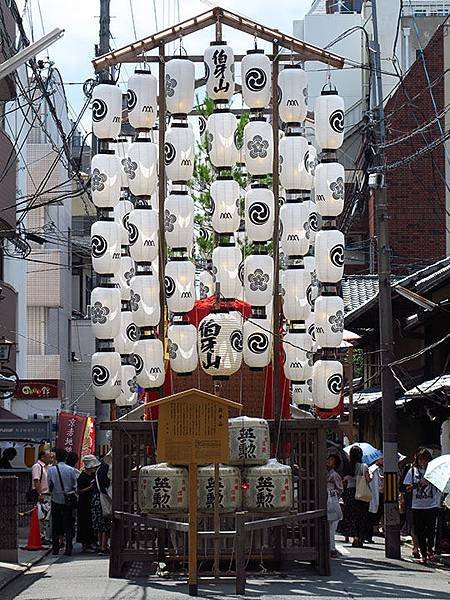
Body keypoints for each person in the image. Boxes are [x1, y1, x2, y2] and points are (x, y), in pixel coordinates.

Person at [403, 448, 441, 564]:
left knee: (430, 530)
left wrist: (431, 482)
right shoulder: (412, 471)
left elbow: (439, 484)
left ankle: (430, 550)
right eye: (420, 460)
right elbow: (406, 487)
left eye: (425, 460)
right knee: (420, 531)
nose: (422, 462)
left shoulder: (433, 472)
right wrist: (418, 484)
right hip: (417, 506)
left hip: (431, 505)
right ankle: (423, 554)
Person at [47, 448, 78, 556]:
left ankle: (55, 549)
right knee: (68, 525)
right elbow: (75, 486)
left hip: (55, 500)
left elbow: (49, 485)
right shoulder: (71, 470)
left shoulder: (51, 470)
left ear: (56, 457)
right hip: (68, 500)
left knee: (56, 524)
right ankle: (68, 548)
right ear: (66, 458)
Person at [342, 445, 371, 548]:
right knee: (361, 515)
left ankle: (354, 537)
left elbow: (344, 479)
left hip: (350, 492)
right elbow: (368, 479)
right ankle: (360, 537)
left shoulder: (348, 466)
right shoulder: (363, 466)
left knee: (352, 515)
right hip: (361, 492)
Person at [77, 454, 100, 553]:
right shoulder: (82, 477)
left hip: (92, 502)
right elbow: (79, 491)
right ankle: (85, 545)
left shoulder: (94, 475)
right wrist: (90, 487)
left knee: (92, 523)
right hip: (84, 503)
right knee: (84, 523)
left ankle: (92, 542)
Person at [92, 453, 112, 555]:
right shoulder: (106, 468)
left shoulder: (99, 469)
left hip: (96, 498)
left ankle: (101, 545)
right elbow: (106, 486)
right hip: (103, 498)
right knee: (105, 524)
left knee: (99, 525)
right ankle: (104, 546)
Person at [31, 449, 52, 542]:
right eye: (49, 457)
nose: (50, 459)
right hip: (42, 494)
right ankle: (41, 536)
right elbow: (36, 480)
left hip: (47, 494)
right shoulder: (37, 466)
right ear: (42, 457)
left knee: (46, 516)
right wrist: (40, 494)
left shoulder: (47, 467)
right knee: (41, 516)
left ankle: (45, 536)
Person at [327, 453, 343, 558]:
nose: (328, 461)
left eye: (331, 460)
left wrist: (331, 492)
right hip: (329, 502)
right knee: (329, 528)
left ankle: (332, 548)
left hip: (332, 502)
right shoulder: (327, 474)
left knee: (331, 528)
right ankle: (330, 548)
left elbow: (340, 489)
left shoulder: (334, 475)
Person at [367, 458, 384, 543]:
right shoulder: (373, 469)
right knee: (371, 516)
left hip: (377, 494)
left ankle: (369, 534)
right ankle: (368, 535)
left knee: (374, 515)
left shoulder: (376, 469)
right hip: (374, 494)